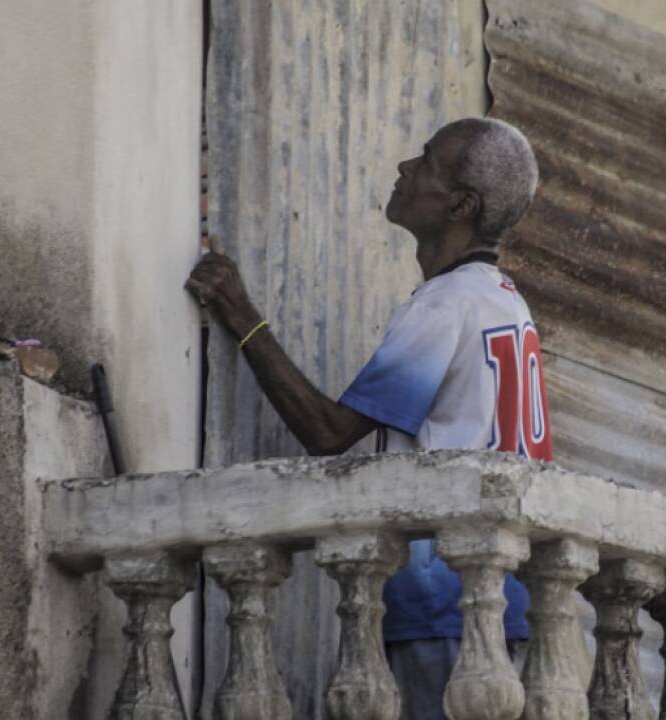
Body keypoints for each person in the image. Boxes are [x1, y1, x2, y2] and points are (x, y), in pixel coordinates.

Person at [186, 116, 551, 720]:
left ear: (460, 205)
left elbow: (329, 434)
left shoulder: (445, 304)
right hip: (504, 605)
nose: (406, 169)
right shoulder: (506, 302)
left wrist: (242, 316)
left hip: (443, 608)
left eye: (426, 162)